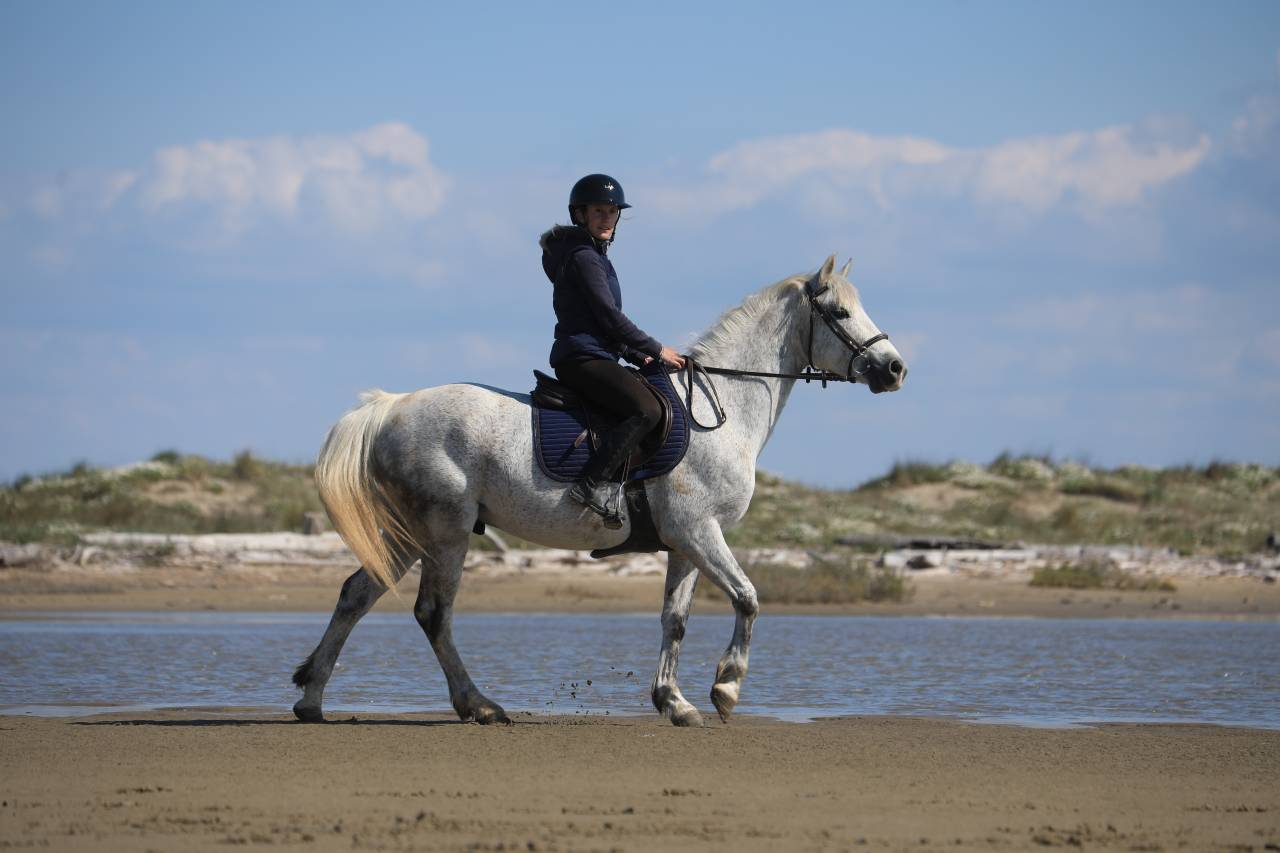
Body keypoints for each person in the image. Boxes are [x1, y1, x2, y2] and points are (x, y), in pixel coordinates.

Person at [539, 174, 686, 528]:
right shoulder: (585, 258)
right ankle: (591, 485)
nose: (607, 219)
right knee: (648, 409)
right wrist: (656, 349)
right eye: (599, 212)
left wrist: (636, 355)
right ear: (580, 215)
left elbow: (601, 323)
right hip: (582, 358)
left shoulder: (592, 256)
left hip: (595, 353)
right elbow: (609, 317)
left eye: (612, 212)